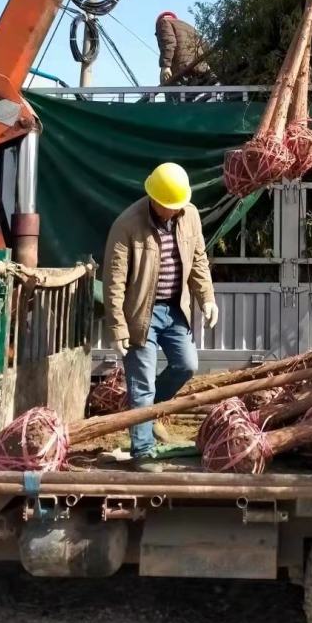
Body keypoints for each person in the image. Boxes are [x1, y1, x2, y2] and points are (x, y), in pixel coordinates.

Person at [103, 162, 218, 471]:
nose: (176, 211)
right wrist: (118, 326)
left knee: (186, 365)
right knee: (141, 384)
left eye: (180, 206)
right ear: (155, 200)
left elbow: (198, 259)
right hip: (142, 314)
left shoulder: (189, 215)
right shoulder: (127, 224)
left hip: (175, 309)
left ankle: (148, 412)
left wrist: (207, 298)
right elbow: (113, 280)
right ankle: (142, 450)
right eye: (171, 207)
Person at [155, 11, 214, 86]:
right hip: (201, 68)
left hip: (184, 70)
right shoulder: (189, 26)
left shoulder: (163, 22)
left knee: (167, 82)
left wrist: (165, 66)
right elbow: (205, 45)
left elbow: (169, 43)